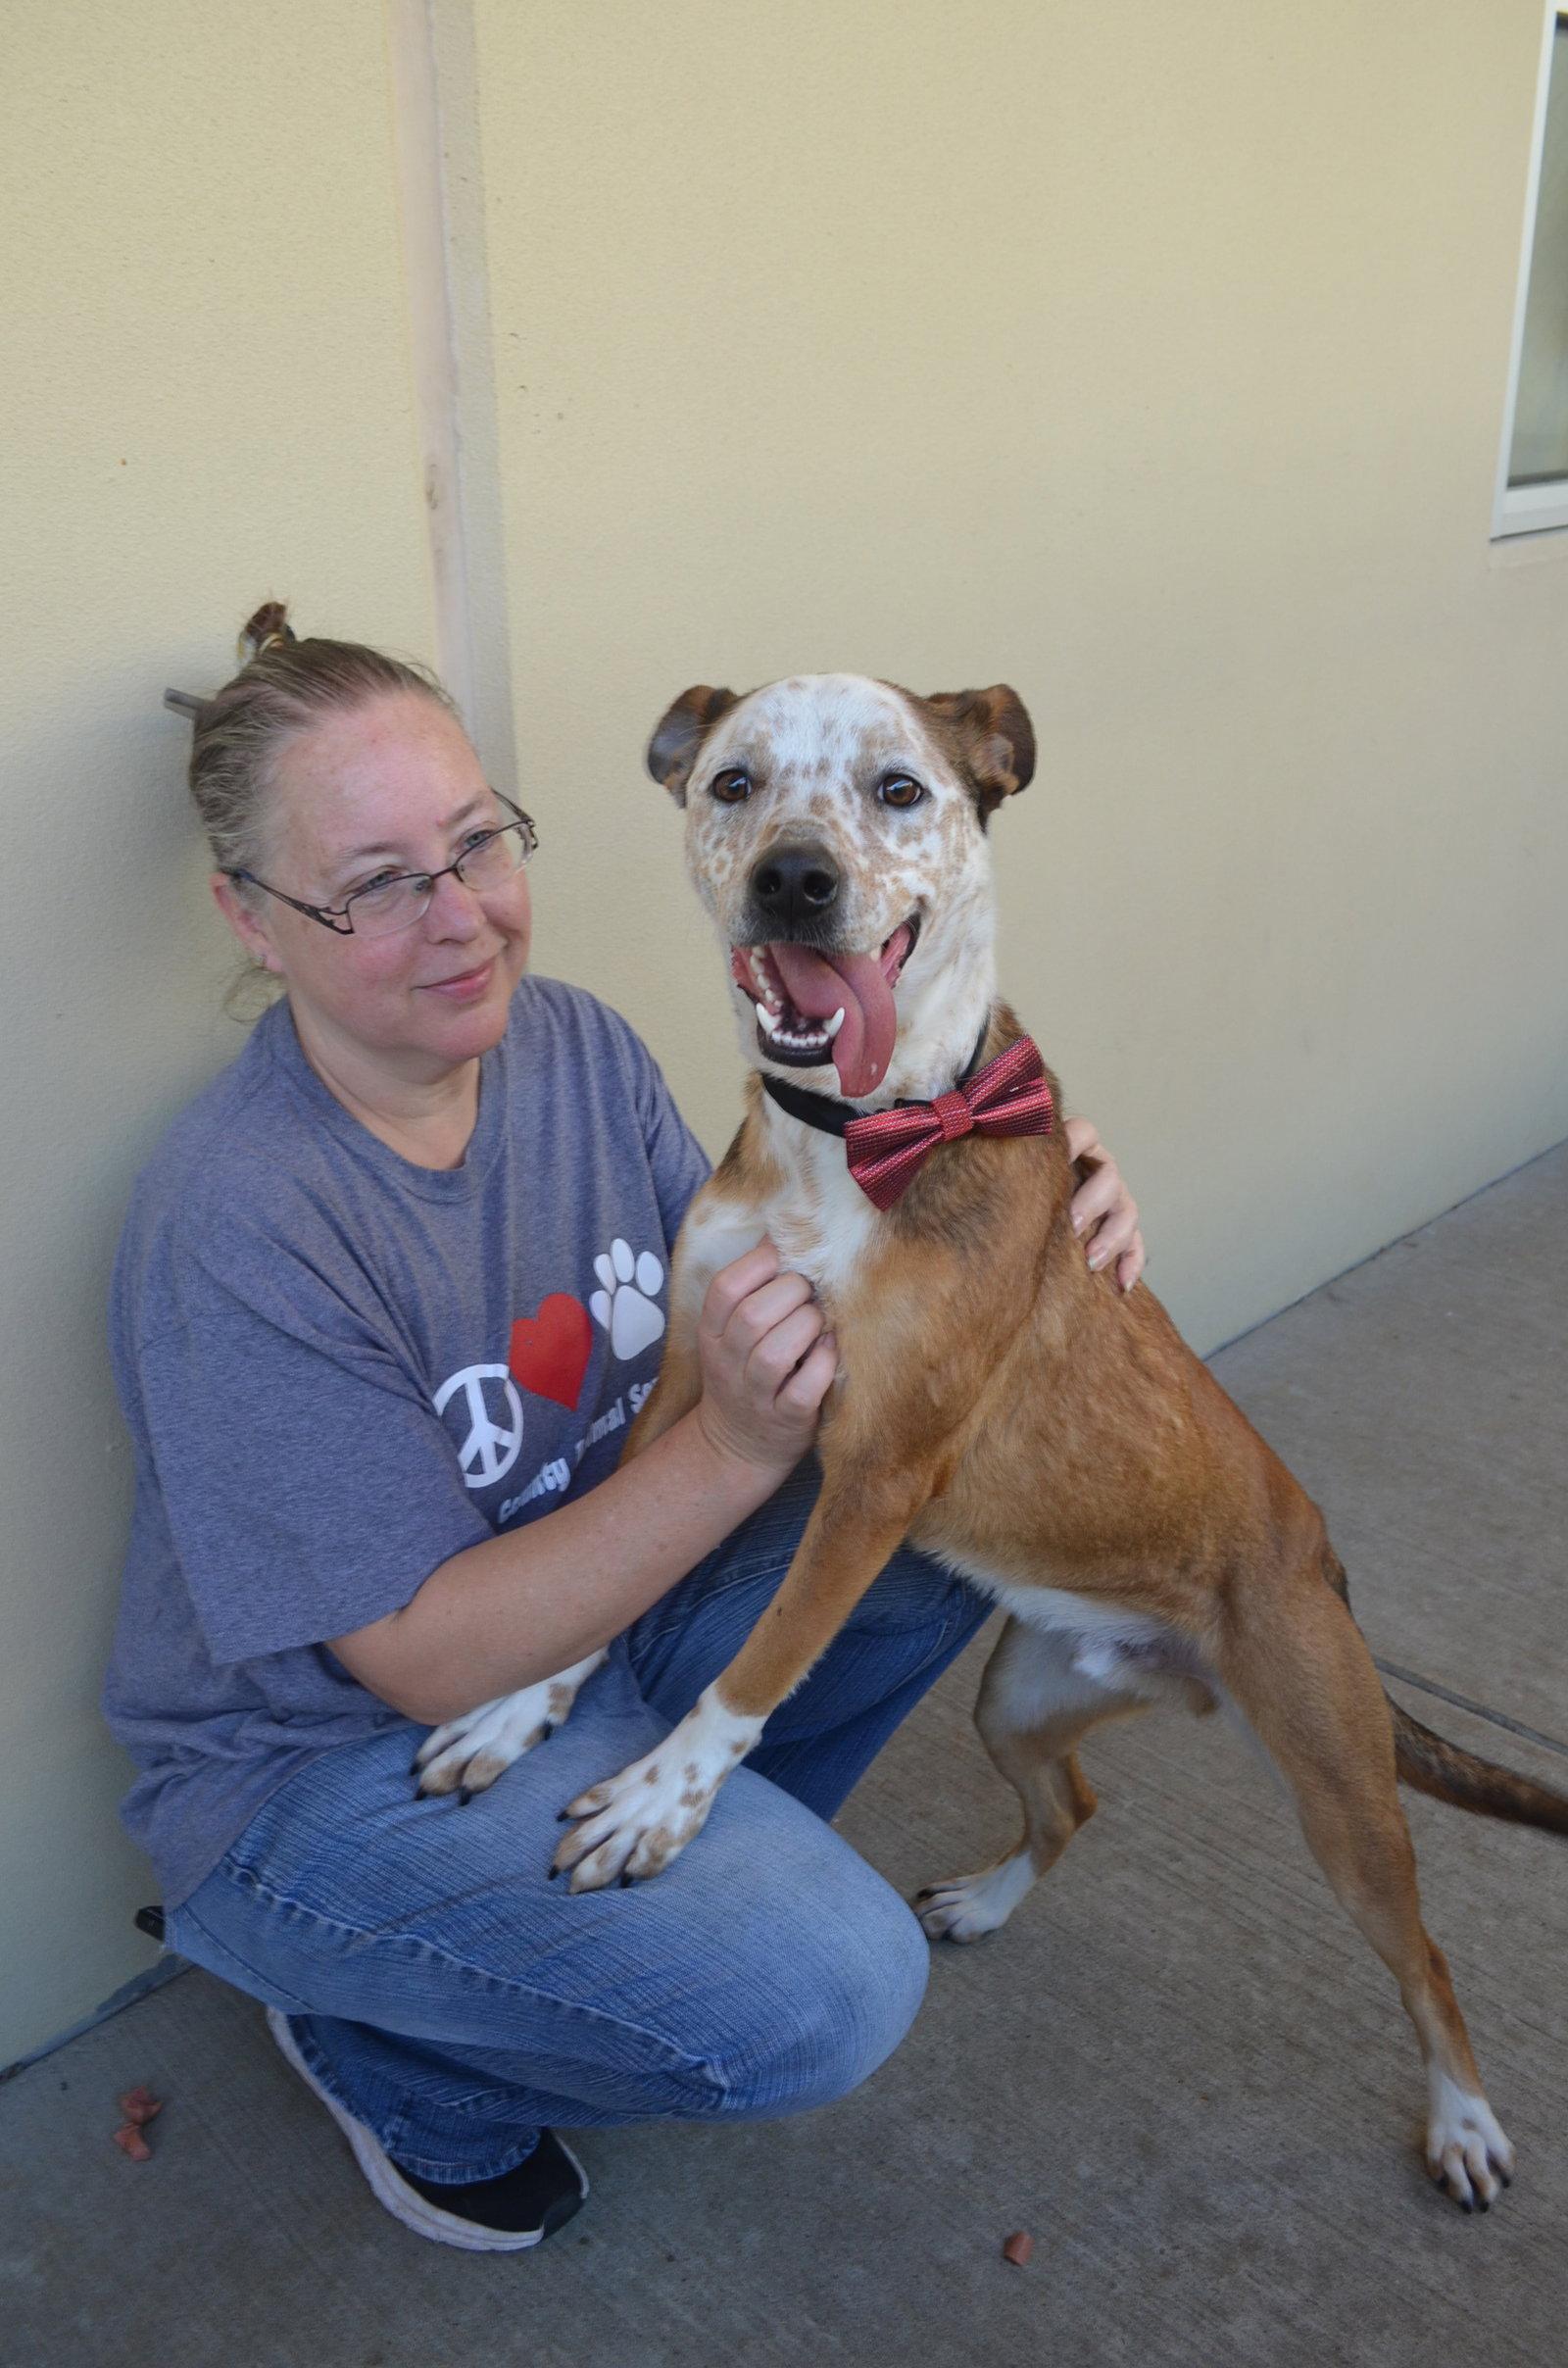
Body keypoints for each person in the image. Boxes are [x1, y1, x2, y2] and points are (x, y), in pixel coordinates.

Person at [103, 608, 1146, 2253]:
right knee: (829, 1995)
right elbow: (432, 1660)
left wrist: (1018, 1195)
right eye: (373, 884)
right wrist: (727, 1453)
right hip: (326, 1769)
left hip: (600, 1611)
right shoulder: (244, 1219)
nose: (456, 920)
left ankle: (628, 1898)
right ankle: (396, 2045)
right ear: (250, 914)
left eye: (472, 847)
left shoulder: (568, 1042)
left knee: (956, 1519)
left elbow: (787, 1302)